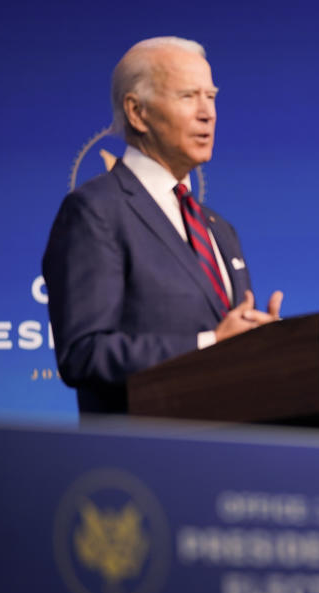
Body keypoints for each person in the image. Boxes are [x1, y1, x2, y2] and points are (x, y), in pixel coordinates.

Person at [43, 36, 282, 413]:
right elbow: (84, 354)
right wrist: (210, 345)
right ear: (137, 113)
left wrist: (259, 344)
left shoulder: (220, 230)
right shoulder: (95, 211)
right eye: (188, 96)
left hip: (231, 456)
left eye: (212, 97)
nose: (208, 113)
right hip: (143, 463)